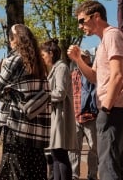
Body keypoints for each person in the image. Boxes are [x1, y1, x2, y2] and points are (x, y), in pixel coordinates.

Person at [67, 0, 123, 180]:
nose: (80, 26)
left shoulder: (112, 36)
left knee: (107, 166)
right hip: (113, 109)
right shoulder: (104, 41)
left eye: (82, 21)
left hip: (115, 110)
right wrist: (78, 60)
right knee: (114, 164)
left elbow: (118, 75)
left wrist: (105, 109)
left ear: (96, 17)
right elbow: (95, 77)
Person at [0, 24, 51, 180]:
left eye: (10, 39)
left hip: (18, 123)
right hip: (39, 124)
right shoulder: (39, 61)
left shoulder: (13, 60)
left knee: (15, 169)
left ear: (14, 40)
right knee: (36, 168)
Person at [41, 39, 76, 180]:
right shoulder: (57, 67)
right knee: (56, 154)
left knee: (60, 154)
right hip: (56, 116)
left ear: (51, 53)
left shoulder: (61, 67)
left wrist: (42, 96)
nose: (43, 59)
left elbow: (60, 93)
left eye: (43, 55)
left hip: (61, 116)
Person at [68, 50, 98, 180]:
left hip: (90, 116)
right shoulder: (73, 74)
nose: (79, 59)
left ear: (88, 59)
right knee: (74, 148)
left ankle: (92, 175)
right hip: (75, 116)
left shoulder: (93, 73)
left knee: (93, 148)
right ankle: (74, 175)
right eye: (79, 58)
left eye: (83, 57)